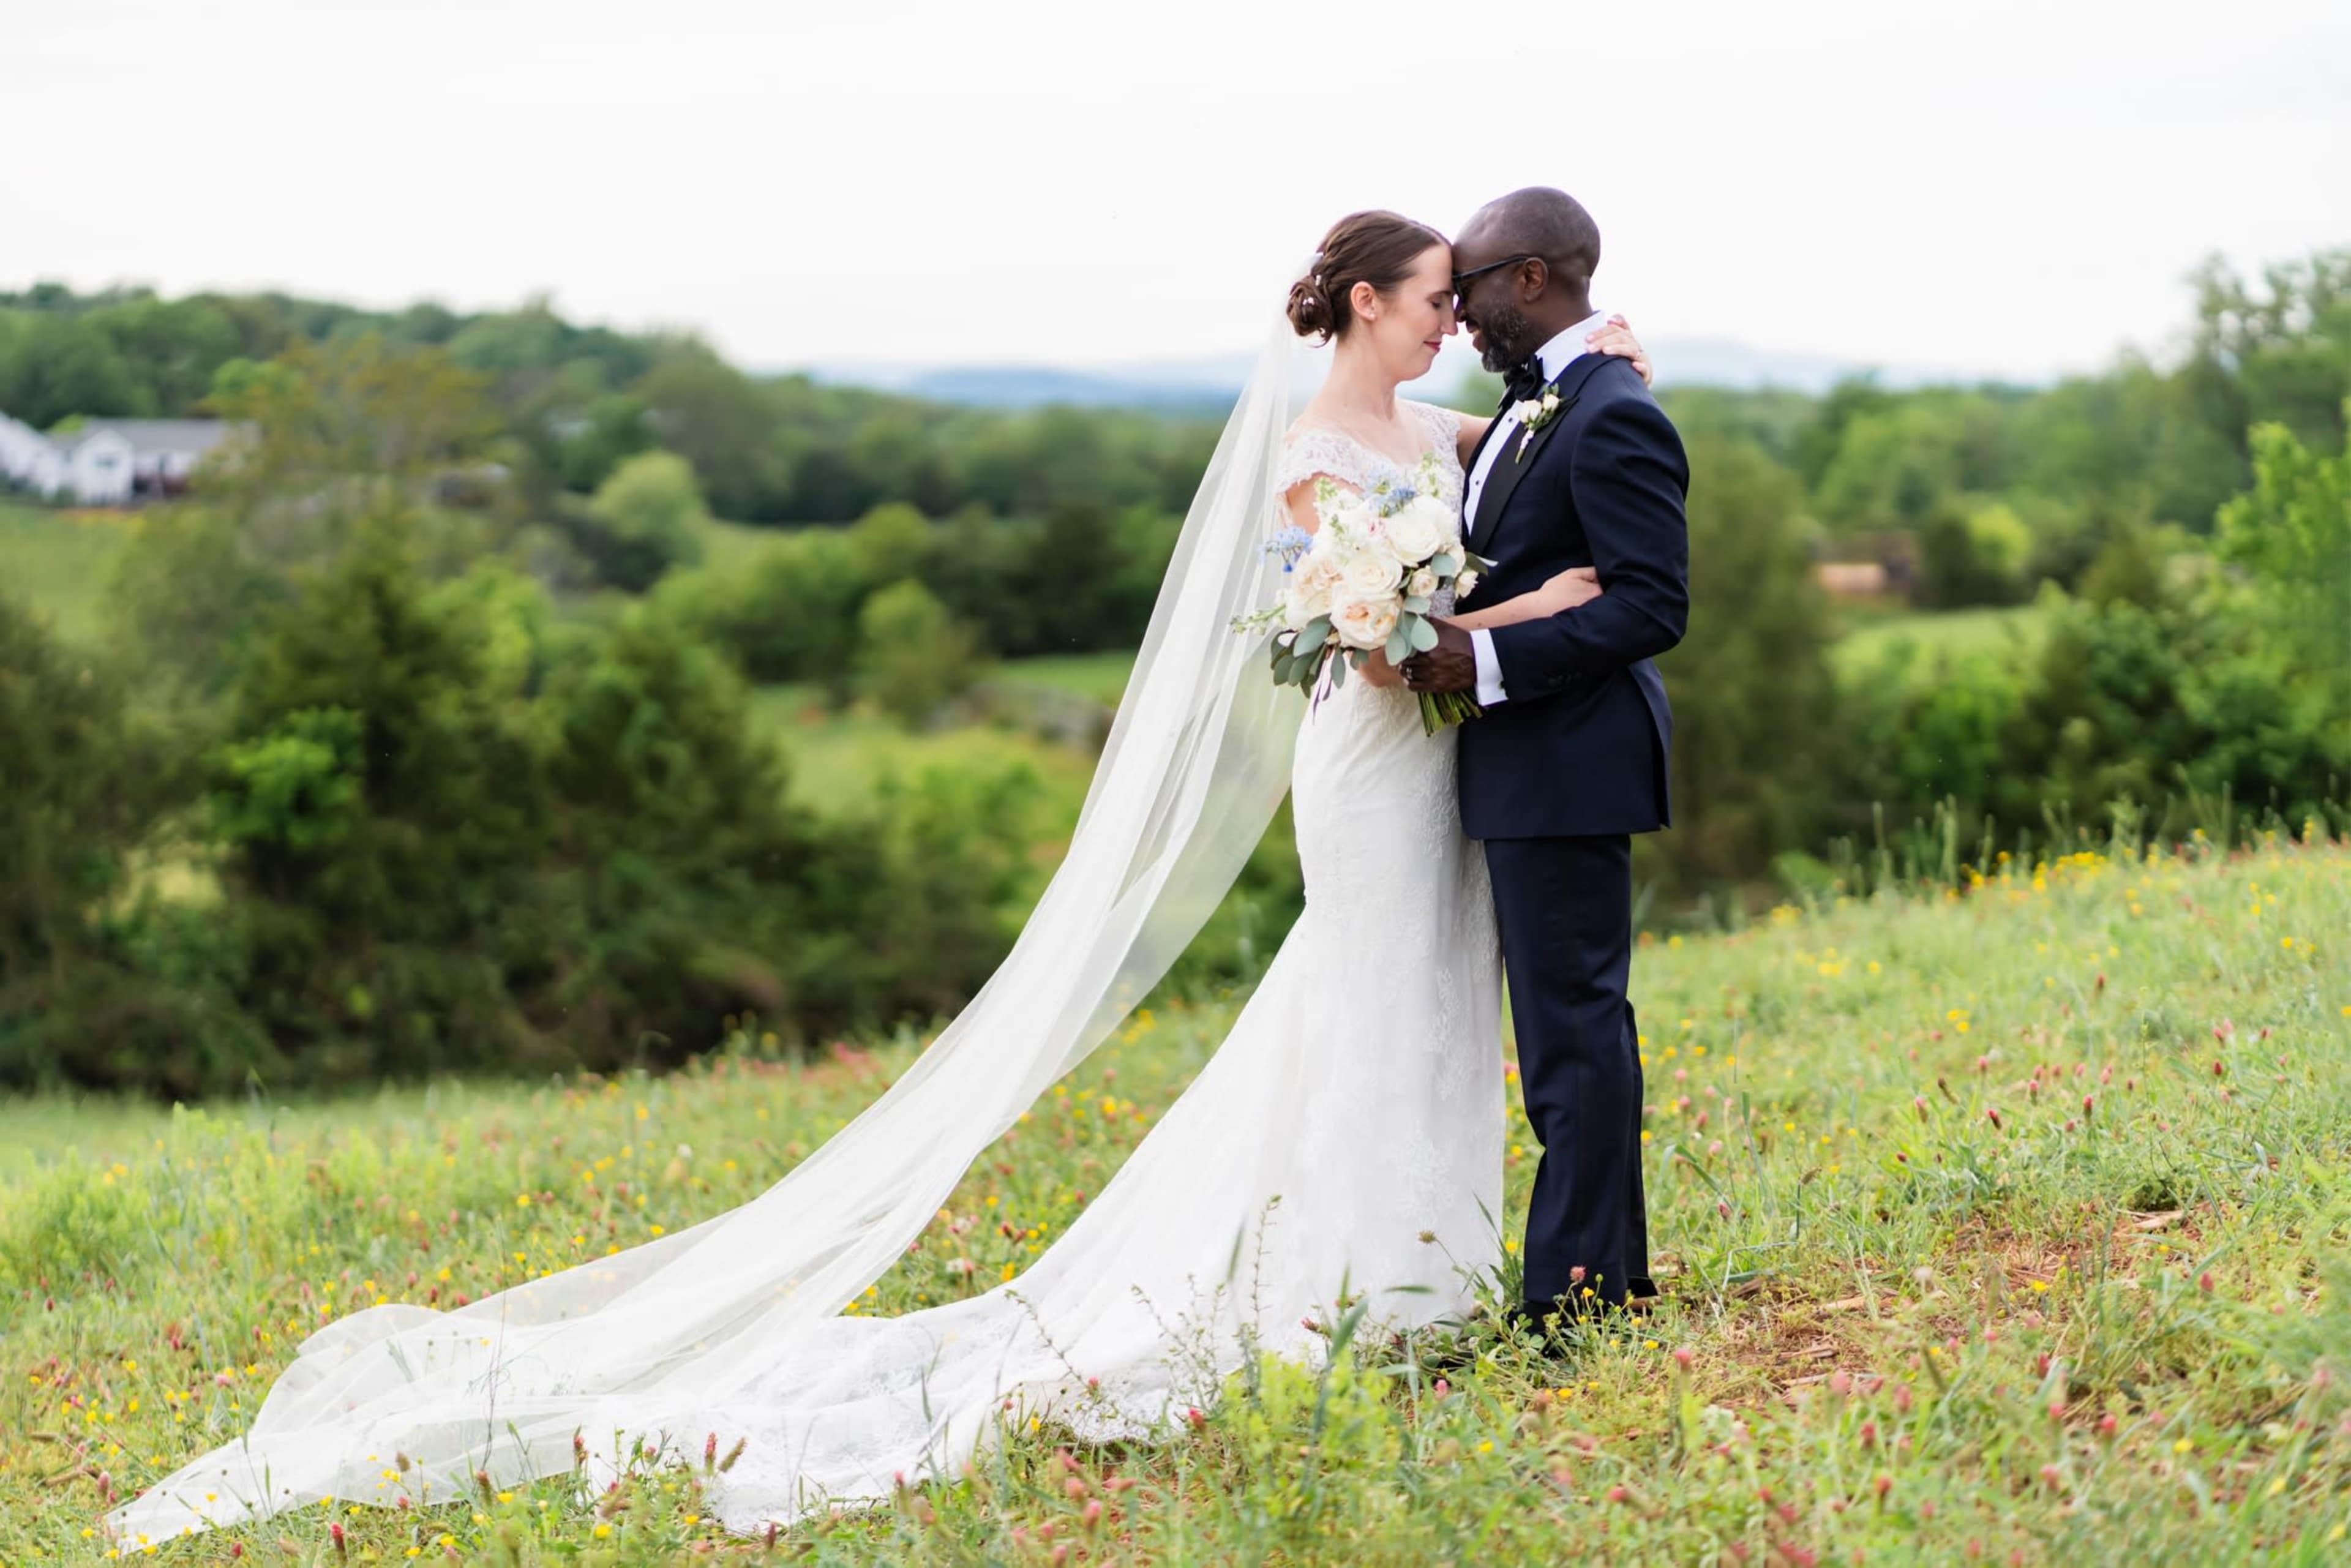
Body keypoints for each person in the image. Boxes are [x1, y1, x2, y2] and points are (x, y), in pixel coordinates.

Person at [106, 211, 1656, 1546]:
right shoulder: (1317, 457)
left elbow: (1526, 447)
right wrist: (1519, 623)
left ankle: (1419, 1263)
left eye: (1472, 294)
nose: (1460, 318)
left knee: (1414, 992)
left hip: (1437, 764)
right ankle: (1367, 1279)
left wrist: (1608, 355)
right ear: (1371, 301)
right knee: (1368, 987)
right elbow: (1380, 636)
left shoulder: (1440, 428)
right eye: (1441, 296)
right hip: (1374, 757)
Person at [1403, 186, 1691, 1334]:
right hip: (1529, 763)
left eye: (1468, 288)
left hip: (1569, 758)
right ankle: (1606, 1280)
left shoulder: (1610, 410)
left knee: (1571, 1037)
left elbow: (1651, 604)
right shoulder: (1539, 403)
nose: (1461, 314)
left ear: (1530, 277)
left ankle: (1571, 1305)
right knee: (1574, 1030)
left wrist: (1479, 665)